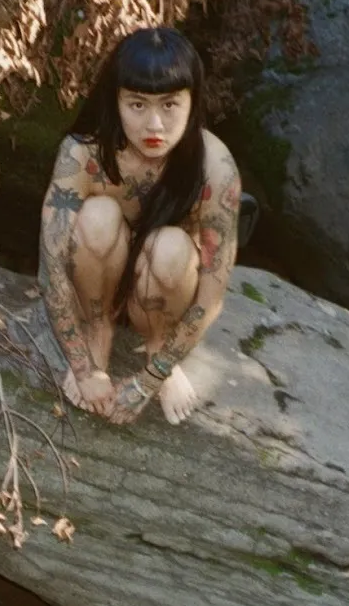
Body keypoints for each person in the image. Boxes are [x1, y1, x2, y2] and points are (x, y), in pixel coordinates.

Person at [38, 26, 242, 425]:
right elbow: (51, 267)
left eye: (169, 106)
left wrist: (151, 379)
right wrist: (82, 368)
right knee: (97, 218)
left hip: (164, 284)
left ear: (192, 101)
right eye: (137, 105)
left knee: (171, 246)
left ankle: (155, 344)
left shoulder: (215, 167)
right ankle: (99, 333)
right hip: (98, 280)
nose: (154, 125)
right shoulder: (81, 154)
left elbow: (211, 297)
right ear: (116, 101)